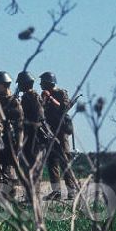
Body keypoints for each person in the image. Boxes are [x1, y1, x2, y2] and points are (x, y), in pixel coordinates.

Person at [40, 72, 78, 201]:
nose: (40, 85)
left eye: (43, 82)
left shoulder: (61, 93)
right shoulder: (43, 95)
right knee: (52, 162)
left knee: (64, 160)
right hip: (49, 131)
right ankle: (56, 192)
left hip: (61, 132)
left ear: (49, 83)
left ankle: (71, 190)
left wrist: (50, 98)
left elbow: (64, 108)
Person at [16, 70, 43, 192]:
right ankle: (31, 193)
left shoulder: (31, 97)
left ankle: (33, 194)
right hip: (32, 136)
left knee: (33, 166)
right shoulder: (31, 97)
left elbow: (35, 117)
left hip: (33, 136)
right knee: (30, 166)